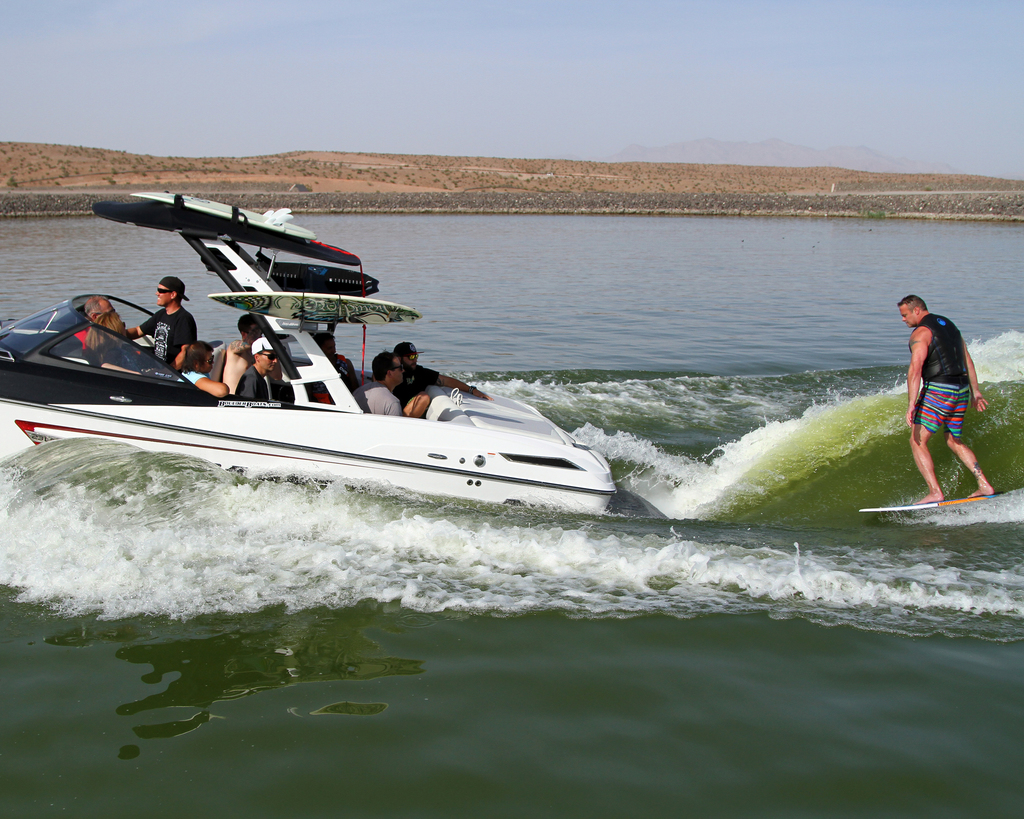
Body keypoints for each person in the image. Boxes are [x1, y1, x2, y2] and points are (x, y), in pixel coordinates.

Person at [898, 295, 995, 503]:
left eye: (905, 315)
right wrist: (976, 392)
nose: (903, 319)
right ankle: (984, 485)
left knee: (917, 440)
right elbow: (967, 360)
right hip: (961, 389)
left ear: (917, 310)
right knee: (953, 440)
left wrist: (911, 404)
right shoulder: (951, 327)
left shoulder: (921, 333)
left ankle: (935, 492)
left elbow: (915, 370)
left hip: (939, 389)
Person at [391, 342, 492, 418]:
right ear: (399, 359)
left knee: (424, 396)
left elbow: (446, 381)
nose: (415, 360)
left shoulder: (420, 372)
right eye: (411, 357)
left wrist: (472, 390)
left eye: (416, 356)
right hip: (391, 412)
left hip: (407, 414)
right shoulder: (390, 374)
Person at [125, 276, 197, 371]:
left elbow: (185, 352)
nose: (157, 293)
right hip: (158, 368)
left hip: (174, 373)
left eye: (161, 291)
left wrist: (167, 372)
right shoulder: (161, 314)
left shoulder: (183, 319)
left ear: (173, 294)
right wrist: (116, 331)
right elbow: (138, 331)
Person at [352, 351, 404, 415]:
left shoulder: (357, 393)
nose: (403, 370)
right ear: (389, 373)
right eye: (400, 368)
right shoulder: (392, 403)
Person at [222, 314, 263, 394]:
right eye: (255, 333)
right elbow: (241, 345)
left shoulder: (258, 353)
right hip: (233, 399)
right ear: (244, 334)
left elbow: (277, 376)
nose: (259, 336)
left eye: (260, 333)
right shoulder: (234, 349)